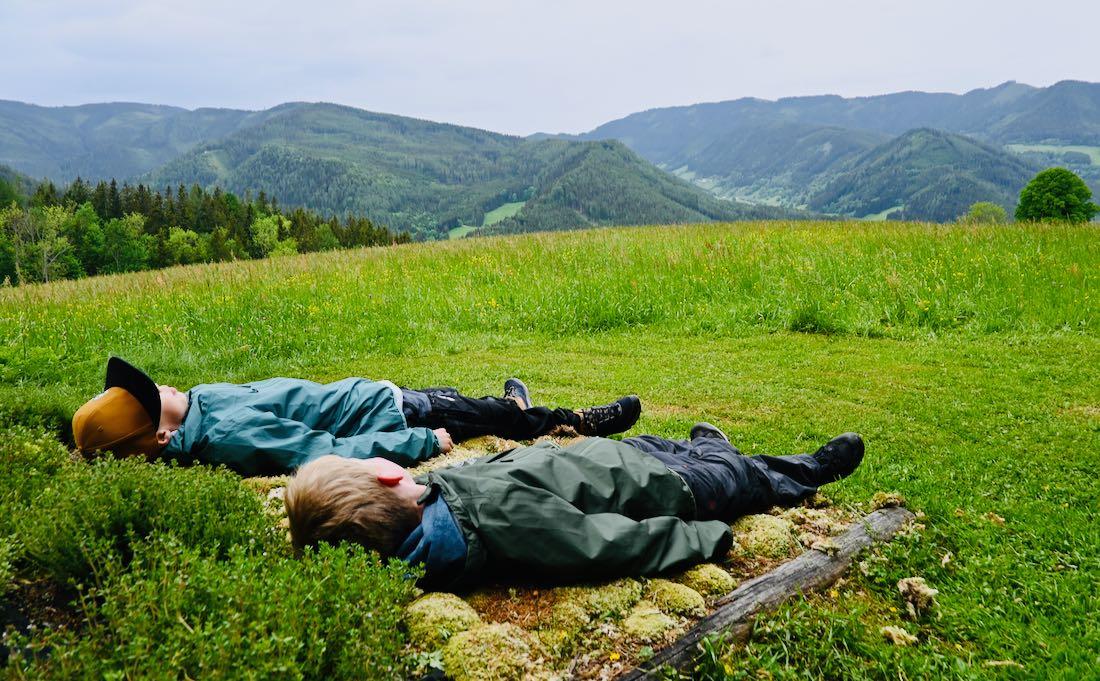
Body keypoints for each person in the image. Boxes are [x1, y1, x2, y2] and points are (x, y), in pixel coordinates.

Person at [284, 422, 865, 590]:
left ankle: (710, 445)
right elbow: (598, 543)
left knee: (683, 448)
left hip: (617, 460)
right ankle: (808, 470)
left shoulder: (438, 510)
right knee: (739, 478)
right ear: (387, 476)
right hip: (664, 487)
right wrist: (704, 536)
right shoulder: (489, 518)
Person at [71, 356, 641, 477]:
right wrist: (420, 444)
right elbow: (318, 450)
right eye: (152, 397)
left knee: (461, 401)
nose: (160, 384)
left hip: (365, 392)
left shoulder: (201, 404)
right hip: (382, 412)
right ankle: (573, 421)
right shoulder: (224, 434)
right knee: (464, 413)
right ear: (164, 433)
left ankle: (509, 409)